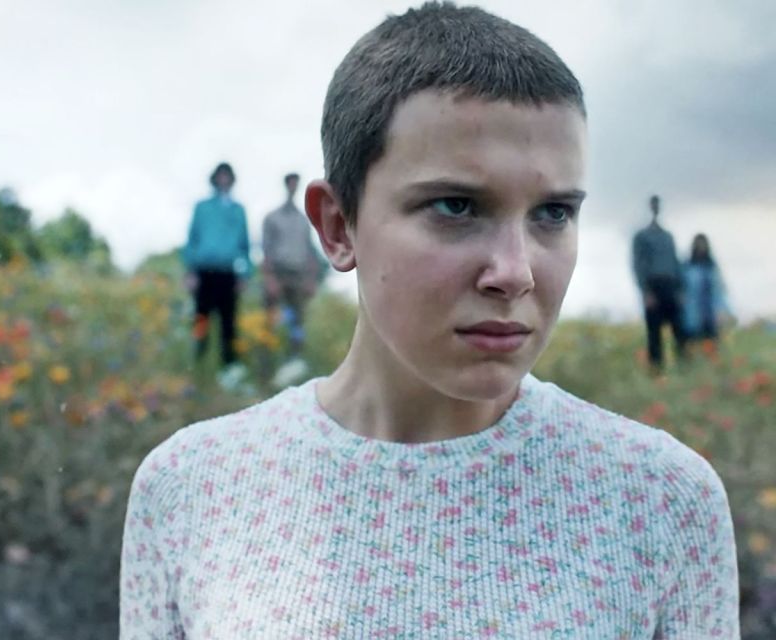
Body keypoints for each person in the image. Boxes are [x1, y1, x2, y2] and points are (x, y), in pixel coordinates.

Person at [122, 4, 739, 638]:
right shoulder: (190, 489)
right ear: (338, 226)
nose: (516, 271)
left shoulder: (662, 501)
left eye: (553, 213)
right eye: (456, 205)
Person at [182, 162, 252, 389]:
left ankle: (229, 368)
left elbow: (245, 245)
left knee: (228, 323)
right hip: (204, 272)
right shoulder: (202, 207)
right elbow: (192, 240)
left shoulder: (238, 210)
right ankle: (197, 361)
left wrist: (245, 274)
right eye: (220, 176)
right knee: (201, 318)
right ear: (215, 179)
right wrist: (190, 271)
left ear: (232, 180)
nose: (224, 180)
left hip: (227, 273)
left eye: (227, 176)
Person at [261, 172, 322, 387]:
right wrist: (270, 278)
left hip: (298, 276)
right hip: (278, 274)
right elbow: (266, 250)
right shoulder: (272, 218)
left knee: (297, 324)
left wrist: (310, 280)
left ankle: (293, 368)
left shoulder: (303, 221)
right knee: (272, 323)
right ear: (285, 185)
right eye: (291, 183)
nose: (293, 187)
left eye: (296, 184)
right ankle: (267, 372)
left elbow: (309, 251)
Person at [632, 195, 687, 370]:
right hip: (653, 286)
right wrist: (646, 292)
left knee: (679, 329)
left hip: (670, 286)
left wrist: (680, 290)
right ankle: (656, 369)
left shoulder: (667, 236)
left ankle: (683, 365)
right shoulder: (641, 236)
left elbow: (675, 263)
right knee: (654, 333)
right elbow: (639, 265)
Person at [681, 233, 732, 343]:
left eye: (703, 245)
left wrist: (722, 311)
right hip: (692, 314)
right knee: (693, 342)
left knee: (712, 343)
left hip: (710, 314)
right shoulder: (686, 266)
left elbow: (720, 291)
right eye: (698, 245)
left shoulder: (712, 266)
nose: (701, 248)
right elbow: (682, 290)